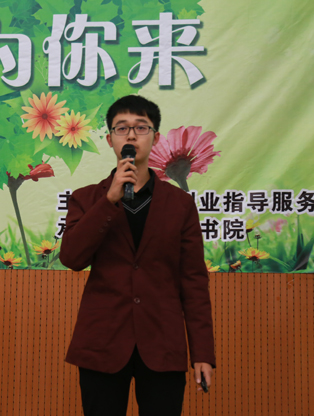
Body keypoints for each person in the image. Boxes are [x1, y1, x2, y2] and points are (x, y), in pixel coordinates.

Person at [59, 95, 215, 416]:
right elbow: (72, 258)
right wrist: (109, 201)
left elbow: (194, 282)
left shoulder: (180, 205)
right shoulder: (86, 199)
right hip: (102, 343)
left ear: (156, 138)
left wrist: (202, 353)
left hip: (162, 343)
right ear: (110, 140)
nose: (131, 135)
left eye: (141, 127)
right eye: (122, 128)